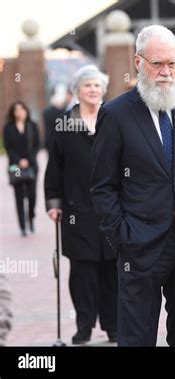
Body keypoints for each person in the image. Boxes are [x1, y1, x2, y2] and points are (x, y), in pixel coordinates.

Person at [90, 25, 175, 347]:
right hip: (139, 248)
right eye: (157, 64)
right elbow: (102, 186)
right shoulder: (115, 114)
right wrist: (122, 236)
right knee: (136, 338)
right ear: (138, 62)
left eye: (172, 64)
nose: (166, 72)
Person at [44, 65, 118, 345]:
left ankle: (113, 325)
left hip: (110, 207)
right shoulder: (64, 124)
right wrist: (54, 202)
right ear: (77, 90)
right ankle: (84, 326)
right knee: (82, 272)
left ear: (103, 90)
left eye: (97, 85)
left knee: (112, 270)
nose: (93, 90)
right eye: (87, 85)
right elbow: (54, 167)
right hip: (77, 209)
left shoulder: (113, 119)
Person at [3, 101, 40, 236]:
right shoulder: (8, 127)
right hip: (16, 167)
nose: (19, 112)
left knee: (32, 195)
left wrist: (28, 160)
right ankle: (22, 226)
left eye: (22, 109)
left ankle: (31, 218)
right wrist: (19, 160)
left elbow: (37, 145)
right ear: (13, 113)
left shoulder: (32, 126)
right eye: (16, 110)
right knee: (19, 196)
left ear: (26, 111)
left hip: (31, 166)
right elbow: (8, 147)